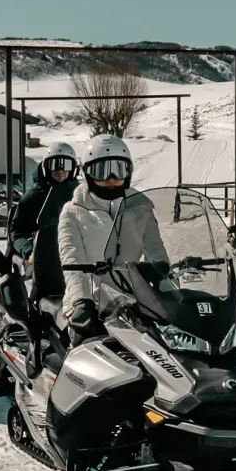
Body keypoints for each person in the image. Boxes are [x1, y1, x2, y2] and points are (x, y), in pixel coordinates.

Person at [57, 136, 164, 341]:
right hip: (92, 304)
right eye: (101, 172)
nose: (112, 179)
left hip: (135, 303)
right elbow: (72, 259)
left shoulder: (141, 207)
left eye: (119, 170)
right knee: (90, 360)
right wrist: (81, 300)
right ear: (87, 173)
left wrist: (166, 279)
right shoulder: (73, 212)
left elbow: (155, 249)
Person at [9, 141, 79, 325]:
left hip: (75, 254)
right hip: (44, 257)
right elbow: (17, 230)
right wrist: (29, 250)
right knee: (39, 305)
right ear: (45, 167)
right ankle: (34, 333)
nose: (61, 171)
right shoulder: (33, 197)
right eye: (55, 165)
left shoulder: (80, 195)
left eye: (66, 165)